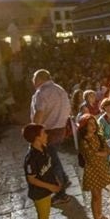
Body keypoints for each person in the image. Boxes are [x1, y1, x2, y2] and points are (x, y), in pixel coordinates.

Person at [30, 69, 72, 205]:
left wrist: (33, 132)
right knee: (54, 158)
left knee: (52, 163)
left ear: (39, 79)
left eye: (33, 78)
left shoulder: (42, 92)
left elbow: (39, 114)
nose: (32, 81)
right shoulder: (60, 89)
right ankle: (64, 180)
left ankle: (61, 193)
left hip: (47, 131)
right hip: (61, 129)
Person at [22, 124, 62, 219]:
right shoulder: (31, 158)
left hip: (46, 191)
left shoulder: (43, 148)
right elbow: (31, 179)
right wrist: (50, 186)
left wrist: (55, 179)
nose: (46, 135)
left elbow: (48, 167)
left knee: (45, 215)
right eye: (44, 133)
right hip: (39, 193)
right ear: (37, 137)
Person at [78, 114, 110, 219]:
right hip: (92, 171)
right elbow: (90, 157)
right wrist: (102, 153)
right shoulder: (83, 141)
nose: (94, 127)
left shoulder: (99, 136)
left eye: (94, 124)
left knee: (100, 194)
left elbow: (108, 149)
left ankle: (100, 215)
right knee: (96, 196)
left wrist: (100, 153)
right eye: (90, 124)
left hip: (101, 169)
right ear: (85, 126)